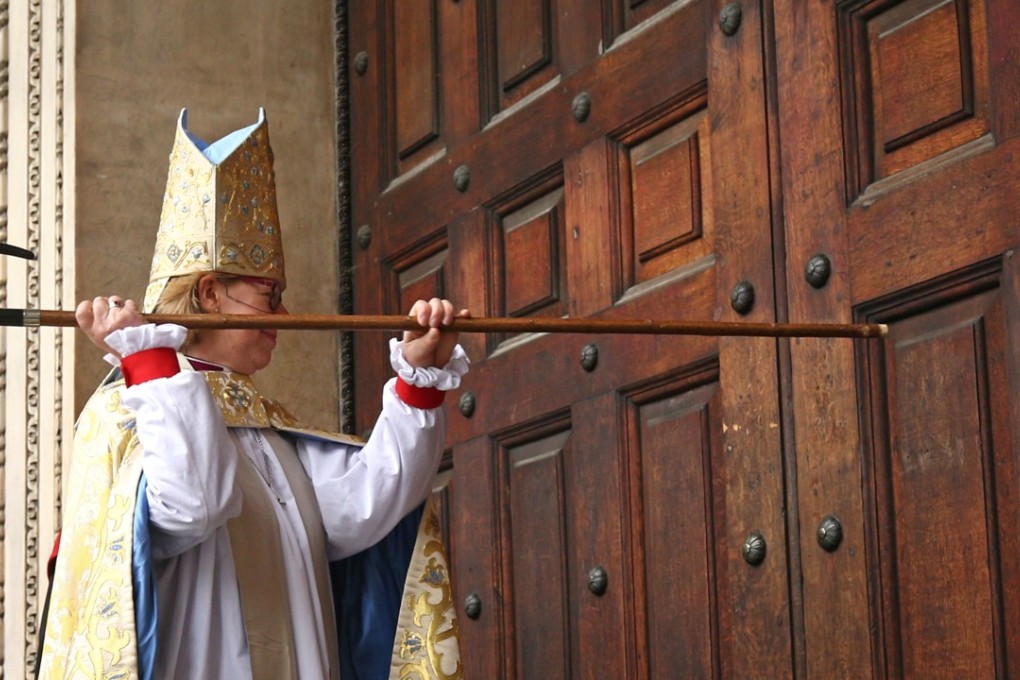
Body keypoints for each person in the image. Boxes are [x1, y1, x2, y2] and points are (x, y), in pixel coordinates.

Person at [38, 109, 468, 679]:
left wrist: (417, 382)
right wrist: (146, 361)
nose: (284, 315)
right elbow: (195, 503)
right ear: (210, 293)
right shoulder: (130, 408)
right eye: (269, 294)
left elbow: (359, 512)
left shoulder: (264, 426)